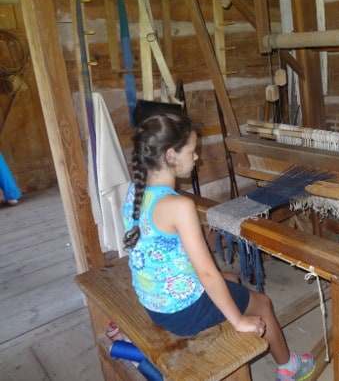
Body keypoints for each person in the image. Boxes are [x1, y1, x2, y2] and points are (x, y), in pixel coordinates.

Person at [122, 112, 315, 381]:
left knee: (232, 278)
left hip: (155, 302)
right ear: (170, 156)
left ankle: (235, 323)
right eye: (192, 151)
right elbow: (207, 275)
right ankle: (288, 367)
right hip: (181, 312)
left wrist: (199, 235)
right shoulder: (179, 206)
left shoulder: (136, 191)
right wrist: (239, 320)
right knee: (262, 303)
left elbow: (163, 245)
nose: (197, 157)